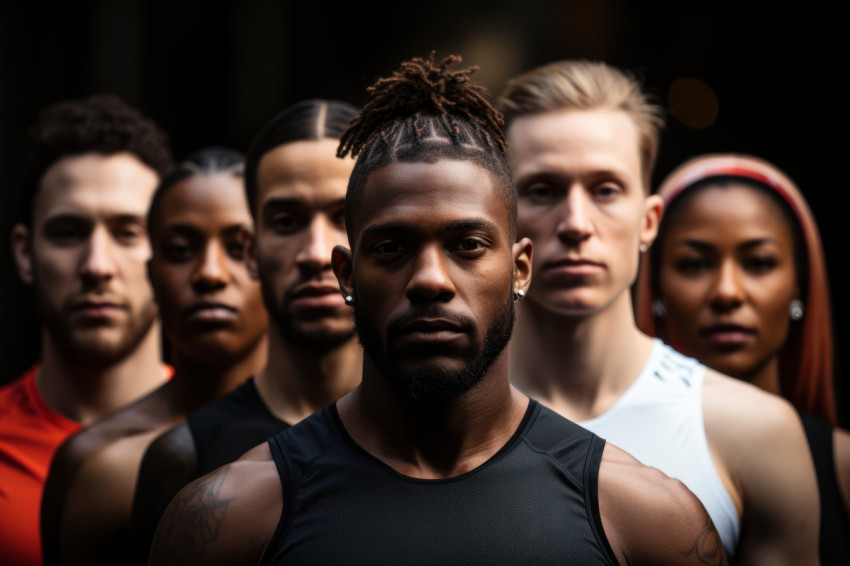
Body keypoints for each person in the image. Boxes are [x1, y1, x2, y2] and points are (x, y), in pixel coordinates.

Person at [149, 53, 726, 566]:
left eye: (467, 245)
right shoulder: (233, 517)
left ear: (520, 269)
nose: (429, 280)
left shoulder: (645, 519)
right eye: (392, 248)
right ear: (346, 274)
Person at [497, 60, 819, 563]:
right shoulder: (435, 419)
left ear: (649, 222)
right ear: (501, 219)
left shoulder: (755, 433)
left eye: (606, 189)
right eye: (543, 189)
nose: (577, 223)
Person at [132, 100, 363, 559]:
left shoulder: (449, 432)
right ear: (251, 249)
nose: (318, 252)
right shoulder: (181, 460)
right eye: (286, 221)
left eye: (343, 216)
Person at [39, 147, 268, 565]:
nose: (210, 274)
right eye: (180, 250)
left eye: (238, 249)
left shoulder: (345, 431)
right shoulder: (94, 463)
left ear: (269, 258)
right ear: (151, 274)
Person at [636, 153, 850, 565]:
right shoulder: (607, 456)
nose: (727, 292)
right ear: (656, 284)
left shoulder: (841, 466)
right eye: (694, 264)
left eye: (759, 263)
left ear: (798, 284)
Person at [0, 94, 173, 566]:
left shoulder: (244, 445)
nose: (97, 266)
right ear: (23, 252)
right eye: (68, 232)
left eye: (127, 232)